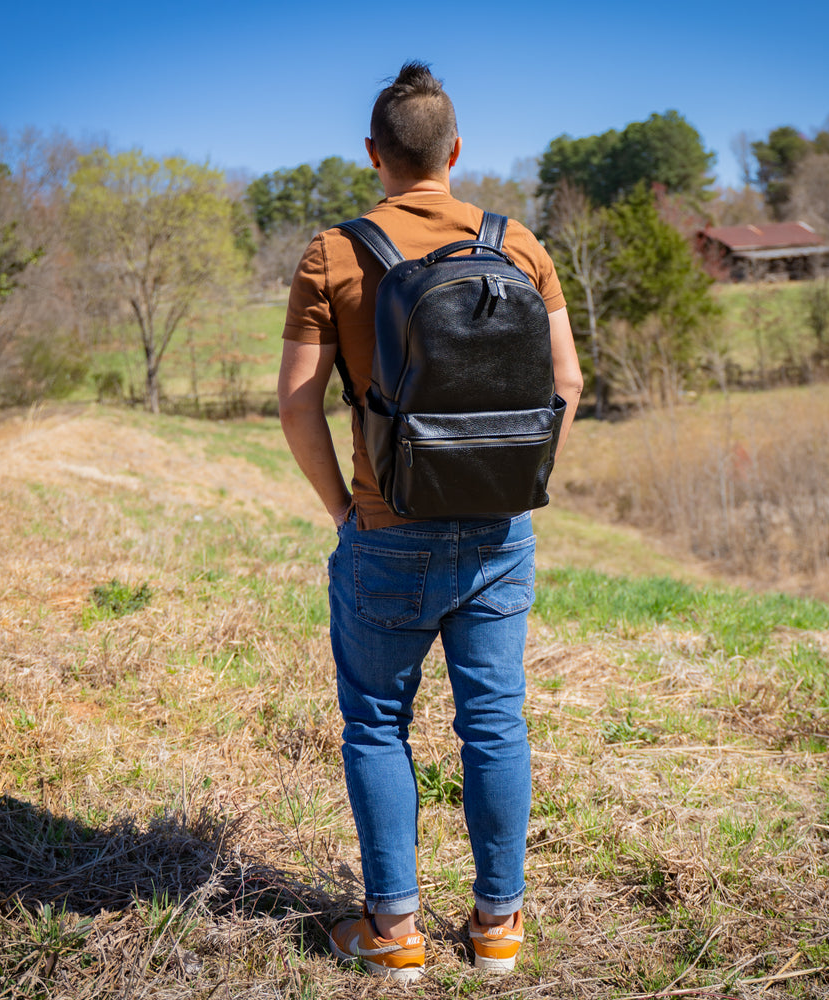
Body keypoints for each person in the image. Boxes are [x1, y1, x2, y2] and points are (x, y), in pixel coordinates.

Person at [277, 61, 583, 981]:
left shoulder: (333, 253)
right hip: (498, 529)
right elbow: (566, 382)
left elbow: (297, 405)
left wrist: (344, 505)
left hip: (387, 528)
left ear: (373, 155)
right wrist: (509, 478)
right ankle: (497, 930)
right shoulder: (518, 244)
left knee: (377, 725)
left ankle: (394, 934)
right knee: (494, 722)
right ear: (454, 151)